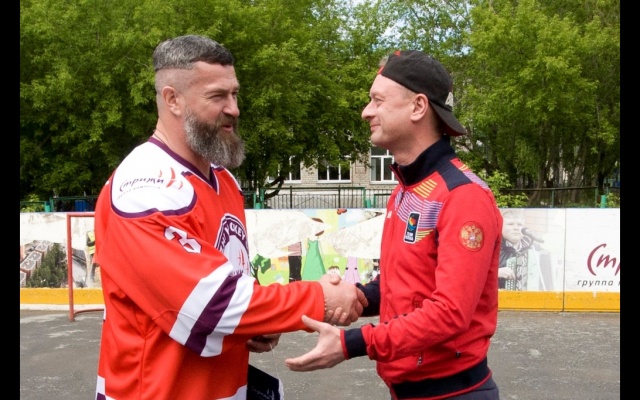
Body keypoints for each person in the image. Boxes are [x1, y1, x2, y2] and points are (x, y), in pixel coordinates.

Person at [92, 34, 366, 400]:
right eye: (218, 96)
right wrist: (320, 298)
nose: (234, 109)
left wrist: (256, 323)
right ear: (173, 100)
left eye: (235, 94)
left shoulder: (223, 179)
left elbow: (232, 282)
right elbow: (211, 307)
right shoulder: (144, 188)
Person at [285, 50, 504, 399]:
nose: (366, 111)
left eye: (378, 100)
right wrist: (356, 297)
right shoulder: (405, 190)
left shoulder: (463, 196)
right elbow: (406, 284)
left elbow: (450, 313)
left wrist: (351, 343)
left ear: (418, 107)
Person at [498, 209, 553, 291]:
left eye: (520, 225)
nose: (516, 228)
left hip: (532, 297)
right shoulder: (493, 249)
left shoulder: (535, 249)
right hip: (501, 297)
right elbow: (478, 274)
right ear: (500, 227)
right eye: (510, 224)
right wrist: (496, 273)